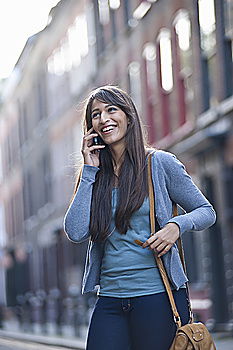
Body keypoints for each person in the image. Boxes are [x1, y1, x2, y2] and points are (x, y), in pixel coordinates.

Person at [63, 85, 216, 350]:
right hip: (109, 299)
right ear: (90, 128)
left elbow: (206, 212)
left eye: (111, 110)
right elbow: (76, 231)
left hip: (156, 296)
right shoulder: (95, 175)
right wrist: (88, 169)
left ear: (128, 116)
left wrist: (176, 226)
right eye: (96, 115)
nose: (104, 119)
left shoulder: (160, 164)